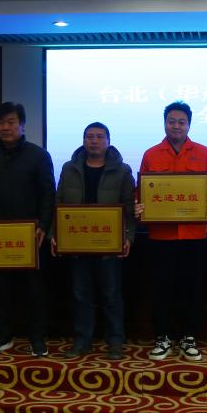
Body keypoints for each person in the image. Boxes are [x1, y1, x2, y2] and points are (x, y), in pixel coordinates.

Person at [0, 102, 56, 357]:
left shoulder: (39, 155)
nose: (6, 127)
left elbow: (48, 194)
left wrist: (44, 225)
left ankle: (37, 338)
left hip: (31, 235)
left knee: (34, 290)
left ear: (22, 125)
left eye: (11, 122)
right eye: (1, 123)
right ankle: (1, 337)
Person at [138, 101, 207, 361]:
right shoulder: (151, 154)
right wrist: (139, 204)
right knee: (161, 287)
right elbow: (141, 190)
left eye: (181, 122)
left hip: (193, 234)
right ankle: (162, 337)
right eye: (172, 121)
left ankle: (189, 337)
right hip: (161, 235)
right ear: (165, 123)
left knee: (192, 288)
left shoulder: (203, 152)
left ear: (189, 125)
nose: (176, 126)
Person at [51, 122, 135, 360]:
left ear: (108, 141)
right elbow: (59, 203)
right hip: (77, 243)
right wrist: (55, 234)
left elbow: (129, 207)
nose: (94, 141)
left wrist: (128, 237)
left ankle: (115, 341)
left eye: (99, 136)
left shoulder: (122, 170)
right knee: (80, 294)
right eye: (89, 136)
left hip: (109, 244)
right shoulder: (69, 168)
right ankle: (82, 340)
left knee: (111, 295)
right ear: (83, 140)